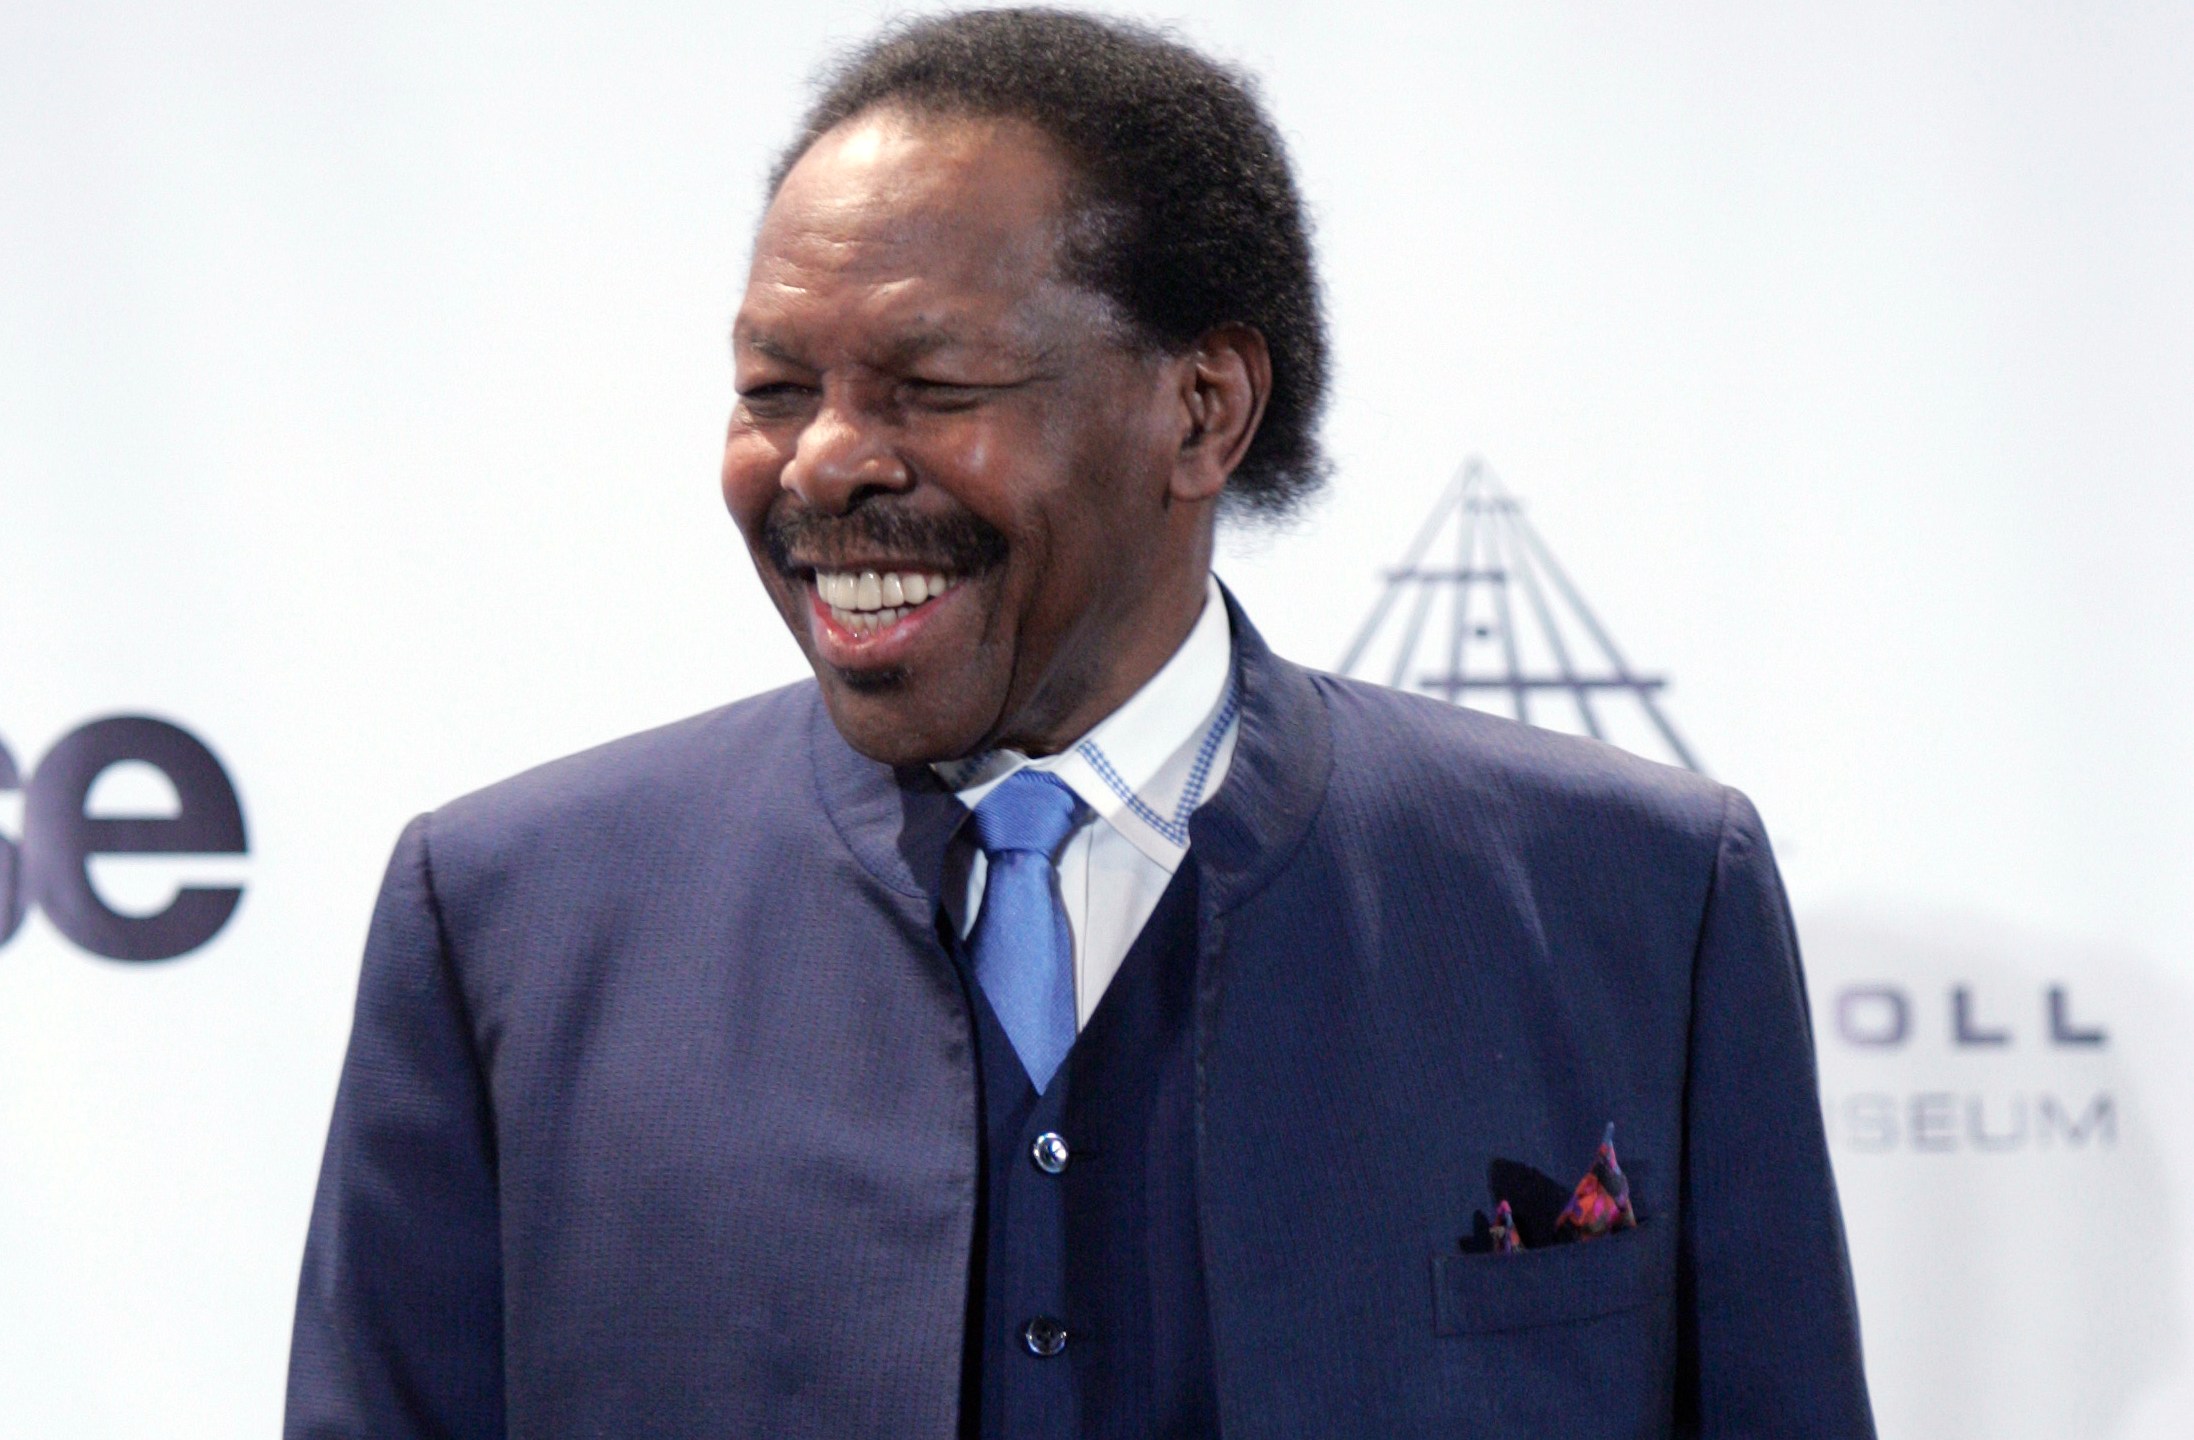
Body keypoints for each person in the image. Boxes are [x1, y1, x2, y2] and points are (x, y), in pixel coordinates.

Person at [284, 9, 1874, 1438]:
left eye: (932, 385)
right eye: (775, 387)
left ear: (1200, 412)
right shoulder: (507, 915)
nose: (824, 462)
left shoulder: (1637, 896)